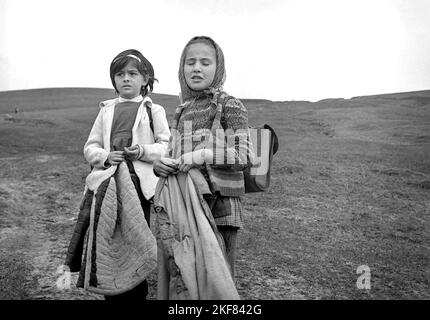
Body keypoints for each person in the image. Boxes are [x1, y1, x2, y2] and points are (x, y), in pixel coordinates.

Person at [63, 49, 170, 300]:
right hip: (108, 186)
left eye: (133, 73)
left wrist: (142, 150)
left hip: (139, 188)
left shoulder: (154, 111)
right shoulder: (106, 110)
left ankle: (136, 291)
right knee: (108, 241)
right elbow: (90, 147)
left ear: (145, 79)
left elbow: (166, 146)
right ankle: (111, 291)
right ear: (114, 80)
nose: (126, 79)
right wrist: (105, 157)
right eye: (119, 74)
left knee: (135, 240)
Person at [153, 36, 251, 298]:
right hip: (184, 205)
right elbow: (172, 151)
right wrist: (160, 165)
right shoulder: (182, 110)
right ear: (181, 68)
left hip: (221, 206)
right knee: (187, 275)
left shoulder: (230, 105)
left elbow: (243, 156)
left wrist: (202, 155)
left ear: (218, 68)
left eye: (205, 62)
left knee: (218, 280)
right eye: (190, 62)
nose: (196, 68)